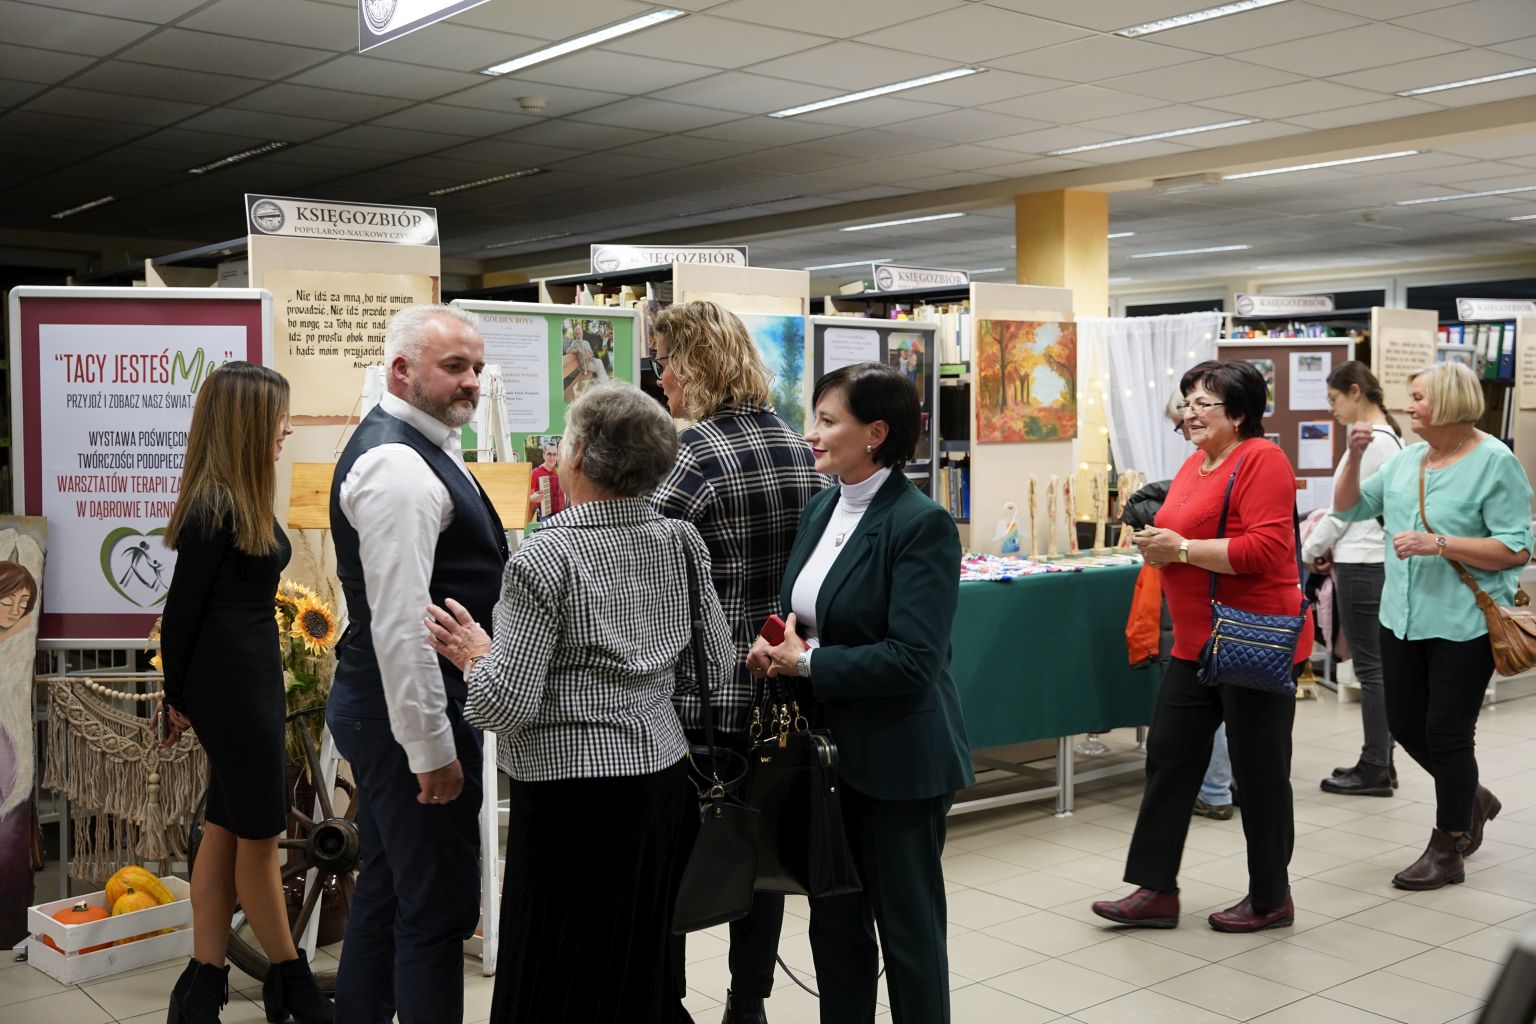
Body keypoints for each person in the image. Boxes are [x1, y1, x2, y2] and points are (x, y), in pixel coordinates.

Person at [423, 383, 734, 1022]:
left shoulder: (547, 555)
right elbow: (718, 663)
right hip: (662, 779)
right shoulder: (681, 541)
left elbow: (501, 706)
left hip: (572, 798)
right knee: (636, 958)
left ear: (581, 454)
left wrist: (475, 655)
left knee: (561, 967)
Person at [749, 362, 973, 1024]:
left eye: (827, 421)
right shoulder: (824, 506)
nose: (810, 433)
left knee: (908, 935)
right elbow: (811, 614)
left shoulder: (920, 523)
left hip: (899, 759)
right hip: (827, 760)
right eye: (813, 418)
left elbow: (914, 659)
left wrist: (807, 663)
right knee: (835, 926)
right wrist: (778, 643)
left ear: (876, 433)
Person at [326, 305, 508, 1024]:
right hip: (405, 712)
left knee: (388, 889)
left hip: (398, 705)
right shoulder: (397, 465)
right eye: (454, 367)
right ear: (401, 370)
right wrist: (430, 749)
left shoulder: (424, 444)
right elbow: (401, 626)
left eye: (477, 367)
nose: (472, 382)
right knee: (436, 908)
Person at [648, 300, 827, 1023]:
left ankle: (666, 1001)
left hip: (704, 696)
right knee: (760, 858)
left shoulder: (693, 453)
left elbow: (641, 553)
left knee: (673, 858)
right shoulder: (798, 444)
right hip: (781, 691)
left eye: (664, 362)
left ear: (694, 364)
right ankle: (747, 1003)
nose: (660, 379)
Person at [1094, 359, 1311, 934]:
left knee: (1260, 773)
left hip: (1251, 638)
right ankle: (1156, 890)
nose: (1189, 412)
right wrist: (1159, 543)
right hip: (1196, 644)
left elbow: (1267, 549)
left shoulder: (1262, 459)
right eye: (1186, 401)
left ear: (1238, 413)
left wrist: (1182, 550)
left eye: (1202, 403)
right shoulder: (1196, 463)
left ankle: (1271, 898)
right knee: (1168, 760)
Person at [159, 362, 331, 1024]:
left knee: (226, 831)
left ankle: (202, 987)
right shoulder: (216, 506)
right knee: (260, 838)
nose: (286, 428)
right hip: (230, 691)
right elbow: (182, 613)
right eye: (278, 417)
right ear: (247, 423)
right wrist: (177, 697)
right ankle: (293, 984)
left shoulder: (238, 496)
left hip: (246, 682)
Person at [1331, 361, 1531, 890]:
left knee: (1447, 733)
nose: (1408, 405)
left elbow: (1515, 549)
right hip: (1400, 618)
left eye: (1418, 397)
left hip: (1464, 623)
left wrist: (1438, 543)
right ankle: (1472, 798)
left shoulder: (1495, 462)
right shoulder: (1406, 460)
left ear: (1449, 402)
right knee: (1403, 724)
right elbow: (1348, 508)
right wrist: (1352, 459)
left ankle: (1449, 846)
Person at [1302, 361, 1404, 797]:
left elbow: (1344, 510)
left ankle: (1375, 765)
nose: (1332, 409)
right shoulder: (1390, 437)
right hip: (1370, 560)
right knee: (1376, 666)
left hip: (1364, 563)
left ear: (1356, 391)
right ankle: (1381, 760)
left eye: (1334, 399)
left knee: (1371, 668)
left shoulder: (1373, 442)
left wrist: (1309, 549)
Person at [526, 439, 565, 521]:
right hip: (544, 515)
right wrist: (532, 498)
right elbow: (528, 498)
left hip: (557, 514)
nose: (552, 457)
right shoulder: (535, 473)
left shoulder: (555, 472)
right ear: (544, 455)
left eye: (554, 454)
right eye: (549, 454)